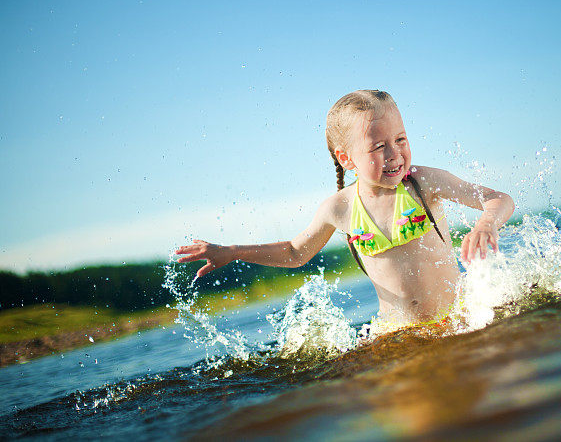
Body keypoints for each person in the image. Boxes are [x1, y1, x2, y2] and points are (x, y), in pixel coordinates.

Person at [175, 90, 515, 332]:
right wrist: (231, 252)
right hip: (397, 335)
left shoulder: (423, 183)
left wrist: (486, 223)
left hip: (459, 320)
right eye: (378, 147)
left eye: (401, 139)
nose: (395, 154)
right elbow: (295, 252)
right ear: (346, 158)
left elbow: (498, 198)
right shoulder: (339, 208)